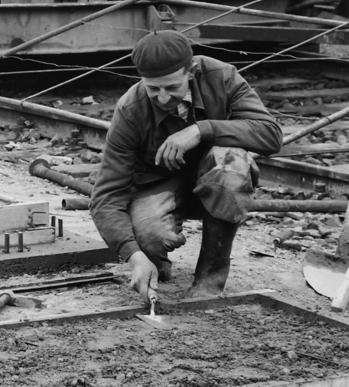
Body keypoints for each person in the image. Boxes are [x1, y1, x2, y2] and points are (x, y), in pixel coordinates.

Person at [90, 30, 281, 303]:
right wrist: (134, 256)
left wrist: (202, 130)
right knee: (146, 238)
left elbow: (270, 135)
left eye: (171, 88)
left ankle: (209, 282)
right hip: (162, 186)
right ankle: (155, 265)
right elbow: (106, 196)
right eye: (153, 89)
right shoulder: (131, 110)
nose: (163, 98)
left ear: (190, 72)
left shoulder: (221, 77)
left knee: (231, 163)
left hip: (216, 179)